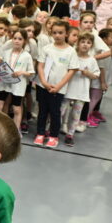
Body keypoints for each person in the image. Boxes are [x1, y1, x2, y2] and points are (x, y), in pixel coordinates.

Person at [35, 20, 78, 148]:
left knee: (55, 112)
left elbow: (72, 70)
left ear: (66, 33)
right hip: (43, 86)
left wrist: (59, 86)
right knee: (42, 111)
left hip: (58, 88)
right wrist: (43, 82)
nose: (57, 35)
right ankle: (40, 133)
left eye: (60, 32)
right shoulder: (47, 49)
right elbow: (40, 66)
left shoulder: (71, 51)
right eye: (54, 33)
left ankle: (53, 136)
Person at [0, 29, 34, 132]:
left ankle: (16, 130)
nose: (17, 41)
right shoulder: (6, 52)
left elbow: (31, 72)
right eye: (15, 38)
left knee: (16, 108)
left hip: (18, 85)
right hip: (5, 82)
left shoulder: (27, 56)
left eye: (20, 39)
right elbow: (1, 65)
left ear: (24, 41)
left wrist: (21, 72)